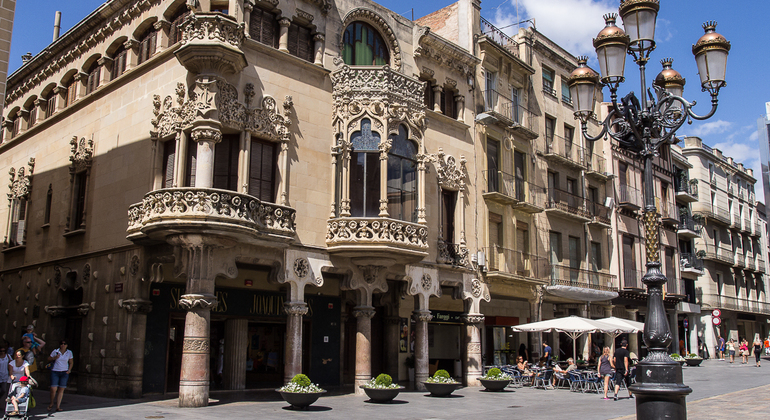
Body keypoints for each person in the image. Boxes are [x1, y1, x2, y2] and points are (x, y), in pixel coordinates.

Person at [48, 340, 73, 412]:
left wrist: (69, 370)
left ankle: (58, 406)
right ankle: (51, 403)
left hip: (64, 372)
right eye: (61, 344)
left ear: (67, 345)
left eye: (64, 344)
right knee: (53, 388)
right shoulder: (55, 351)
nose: (63, 345)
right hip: (55, 371)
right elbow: (48, 359)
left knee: (61, 389)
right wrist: (54, 357)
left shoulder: (69, 352)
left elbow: (71, 362)